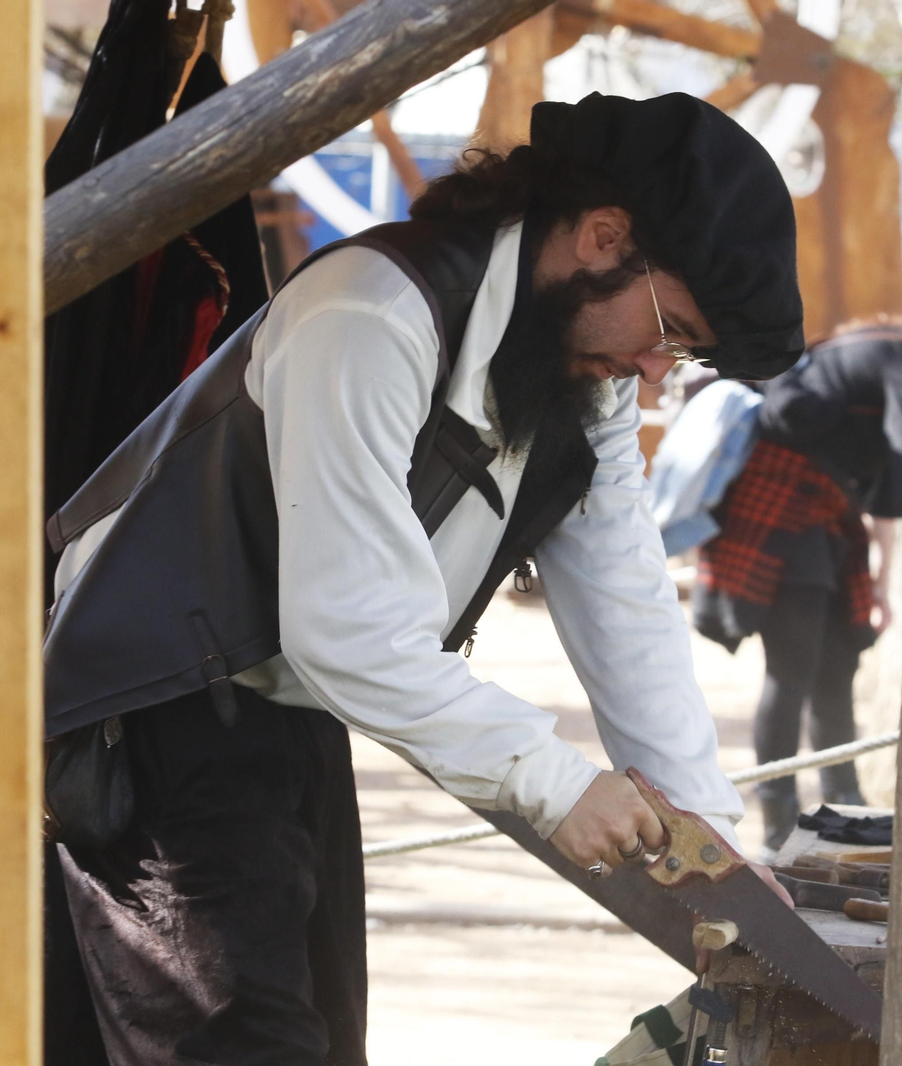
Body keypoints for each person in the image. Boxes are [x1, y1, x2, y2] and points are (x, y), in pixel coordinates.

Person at [41, 93, 804, 1066]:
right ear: (602, 237)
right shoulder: (369, 314)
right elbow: (349, 630)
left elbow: (624, 591)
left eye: (682, 353)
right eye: (670, 328)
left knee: (321, 1038)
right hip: (154, 703)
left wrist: (714, 850)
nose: (657, 374)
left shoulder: (586, 373)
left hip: (285, 707)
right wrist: (555, 781)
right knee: (243, 1045)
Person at [690, 319, 902, 858]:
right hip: (781, 515)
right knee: (790, 670)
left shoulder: (884, 367)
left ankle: (844, 805)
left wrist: (883, 586)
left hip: (831, 523)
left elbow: (886, 490)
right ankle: (777, 821)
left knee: (837, 668)